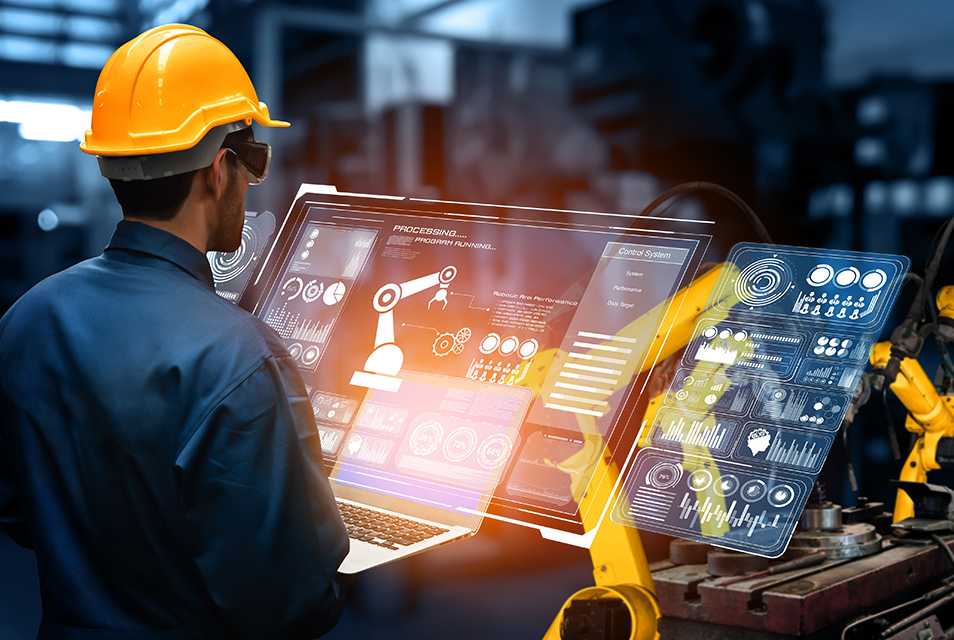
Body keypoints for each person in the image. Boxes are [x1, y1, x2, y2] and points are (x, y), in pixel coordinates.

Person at [0, 24, 349, 640]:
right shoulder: (237, 358)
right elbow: (290, 605)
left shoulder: (27, 318)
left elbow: (19, 512)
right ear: (220, 170)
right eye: (256, 161)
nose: (252, 181)